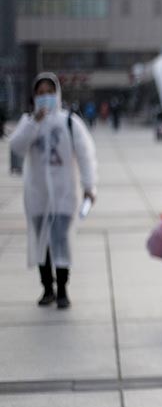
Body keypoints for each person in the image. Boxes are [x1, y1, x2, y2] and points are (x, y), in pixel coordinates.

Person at [9, 73, 98, 309]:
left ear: (57, 93)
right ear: (34, 96)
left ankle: (63, 289)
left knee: (60, 241)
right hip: (37, 195)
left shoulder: (69, 122)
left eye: (49, 91)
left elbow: (85, 156)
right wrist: (33, 123)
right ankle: (47, 287)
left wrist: (90, 186)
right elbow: (16, 146)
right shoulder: (28, 122)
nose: (45, 96)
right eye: (40, 92)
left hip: (64, 193)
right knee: (42, 244)